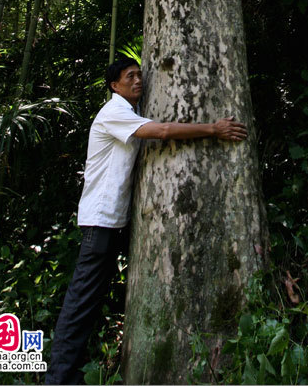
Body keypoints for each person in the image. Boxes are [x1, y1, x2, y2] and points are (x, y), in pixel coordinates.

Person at [45, 57, 247, 385]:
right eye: (130, 76)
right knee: (81, 304)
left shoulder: (128, 113)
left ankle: (73, 373)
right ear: (115, 85)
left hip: (112, 223)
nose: (138, 80)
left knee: (92, 302)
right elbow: (163, 131)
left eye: (139, 75)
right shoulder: (114, 113)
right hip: (100, 224)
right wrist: (213, 129)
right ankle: (59, 379)